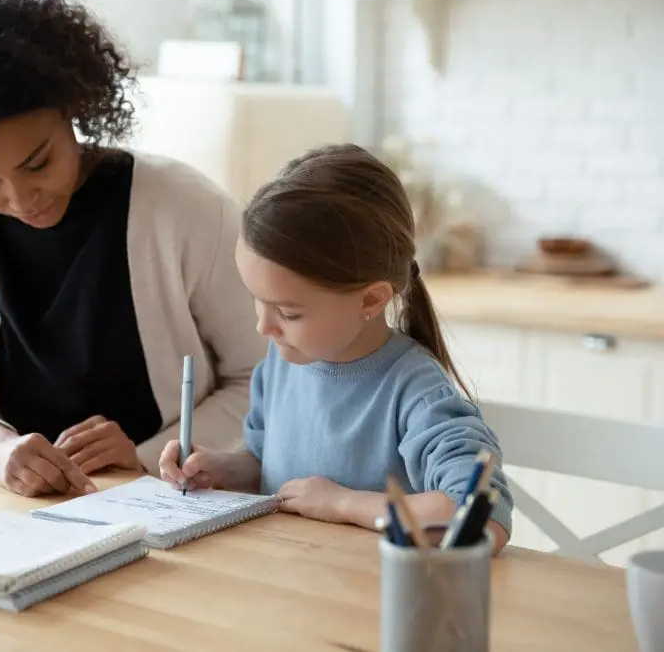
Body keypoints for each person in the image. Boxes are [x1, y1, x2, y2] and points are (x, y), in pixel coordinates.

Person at [0, 0, 265, 498]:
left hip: (166, 498)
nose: (21, 199)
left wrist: (146, 456)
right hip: (15, 502)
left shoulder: (187, 208)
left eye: (38, 163)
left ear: (73, 110)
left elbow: (261, 380)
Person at [158, 144, 514, 554]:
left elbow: (483, 519)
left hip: (374, 605)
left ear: (370, 301)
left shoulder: (417, 391)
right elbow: (275, 473)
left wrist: (344, 502)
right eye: (256, 299)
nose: (263, 326)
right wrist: (221, 469)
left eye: (288, 313)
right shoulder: (282, 362)